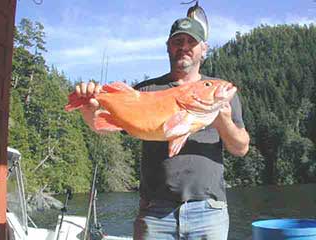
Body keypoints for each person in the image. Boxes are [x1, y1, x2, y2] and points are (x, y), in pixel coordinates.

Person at [75, 17, 250, 240]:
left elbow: (241, 148)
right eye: (178, 41)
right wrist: (87, 107)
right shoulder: (146, 90)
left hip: (208, 212)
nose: (184, 47)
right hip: (155, 213)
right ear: (168, 46)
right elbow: (101, 125)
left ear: (203, 49)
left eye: (191, 42)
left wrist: (222, 120)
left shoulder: (222, 93)